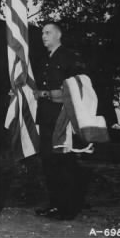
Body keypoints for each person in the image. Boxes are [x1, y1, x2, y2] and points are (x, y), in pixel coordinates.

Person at [33, 22, 87, 220]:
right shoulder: (44, 59)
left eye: (48, 33)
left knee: (64, 161)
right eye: (42, 33)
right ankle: (55, 204)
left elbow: (79, 86)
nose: (44, 36)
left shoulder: (69, 57)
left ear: (58, 35)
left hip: (63, 116)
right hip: (46, 117)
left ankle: (68, 208)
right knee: (49, 161)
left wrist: (51, 93)